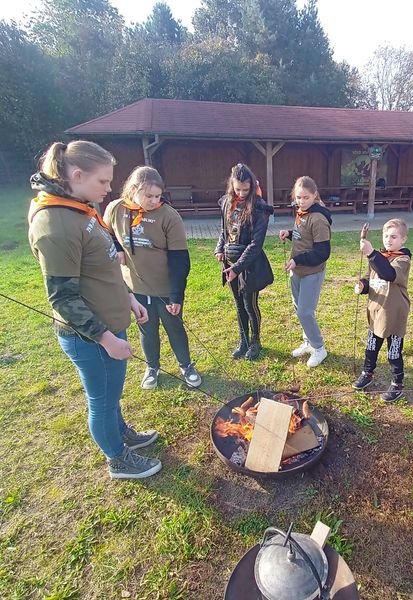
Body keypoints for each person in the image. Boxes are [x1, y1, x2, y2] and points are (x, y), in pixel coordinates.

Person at [28, 141, 162, 480]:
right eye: (103, 181)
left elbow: (102, 267)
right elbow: (63, 299)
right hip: (89, 337)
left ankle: (122, 435)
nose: (109, 189)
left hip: (110, 323)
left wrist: (129, 298)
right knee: (101, 399)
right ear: (77, 175)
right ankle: (117, 458)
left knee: (112, 393)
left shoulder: (79, 208)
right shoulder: (55, 223)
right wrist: (106, 338)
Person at [103, 166, 200, 390]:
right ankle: (152, 367)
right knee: (146, 328)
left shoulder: (168, 216)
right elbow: (105, 231)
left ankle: (186, 365)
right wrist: (117, 247)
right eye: (149, 196)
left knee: (174, 328)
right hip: (136, 286)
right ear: (134, 189)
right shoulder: (115, 208)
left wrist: (176, 295)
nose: (154, 201)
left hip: (166, 289)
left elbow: (180, 259)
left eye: (158, 196)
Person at [215, 163, 274, 360]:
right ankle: (244, 341)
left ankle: (256, 341)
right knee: (238, 305)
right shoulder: (226, 203)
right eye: (237, 188)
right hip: (229, 264)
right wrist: (219, 249)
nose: (241, 193)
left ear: (252, 186)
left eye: (245, 189)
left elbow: (256, 245)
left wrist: (238, 267)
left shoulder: (259, 208)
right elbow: (224, 232)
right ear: (232, 185)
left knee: (250, 305)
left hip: (250, 264)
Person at [352, 219, 411, 402]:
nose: (389, 240)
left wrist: (371, 253)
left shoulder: (403, 259)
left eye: (394, 237)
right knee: (371, 346)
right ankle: (367, 372)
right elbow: (373, 277)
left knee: (393, 352)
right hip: (377, 309)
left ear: (403, 239)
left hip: (394, 314)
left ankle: (397, 383)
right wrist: (363, 285)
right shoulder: (381, 256)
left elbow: (389, 274)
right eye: (386, 236)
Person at [279, 176, 332, 368]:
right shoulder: (302, 213)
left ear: (315, 196)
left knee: (305, 312)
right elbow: (304, 237)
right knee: (298, 308)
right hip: (297, 271)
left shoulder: (318, 219)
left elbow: (322, 252)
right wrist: (290, 233)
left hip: (312, 271)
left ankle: (319, 348)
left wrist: (297, 260)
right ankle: (308, 342)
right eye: (298, 197)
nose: (301, 201)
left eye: (306, 197)